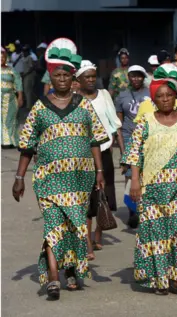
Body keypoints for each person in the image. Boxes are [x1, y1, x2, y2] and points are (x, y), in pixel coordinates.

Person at [12, 38, 108, 300]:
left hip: (80, 179)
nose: (63, 79)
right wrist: (19, 177)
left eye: (67, 75)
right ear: (51, 79)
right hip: (49, 180)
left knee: (77, 226)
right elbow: (27, 145)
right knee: (54, 227)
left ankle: (72, 269)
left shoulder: (84, 106)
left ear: (72, 78)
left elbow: (95, 141)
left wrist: (100, 173)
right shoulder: (40, 108)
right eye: (58, 75)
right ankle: (54, 278)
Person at [121, 70, 177, 297]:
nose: (165, 100)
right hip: (152, 186)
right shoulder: (145, 122)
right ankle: (161, 279)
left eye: (169, 95)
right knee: (157, 233)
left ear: (175, 97)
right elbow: (134, 154)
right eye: (159, 97)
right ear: (153, 100)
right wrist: (134, 183)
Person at [76, 60, 124, 259]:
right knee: (86, 198)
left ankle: (98, 235)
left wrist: (124, 153)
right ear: (78, 80)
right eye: (86, 77)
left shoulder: (104, 95)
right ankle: (87, 241)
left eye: (93, 77)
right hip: (82, 155)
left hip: (104, 152)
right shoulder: (74, 99)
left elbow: (115, 124)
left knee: (102, 195)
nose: (90, 80)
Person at [115, 65, 150, 227]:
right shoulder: (122, 96)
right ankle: (132, 210)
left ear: (143, 77)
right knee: (130, 174)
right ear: (128, 77)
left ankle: (147, 210)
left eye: (139, 76)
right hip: (129, 137)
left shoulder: (150, 93)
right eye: (132, 76)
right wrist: (123, 151)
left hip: (148, 138)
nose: (136, 79)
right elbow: (119, 125)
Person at [1, 47, 23, 148]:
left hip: (10, 99)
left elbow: (18, 83)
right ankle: (4, 141)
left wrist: (20, 97)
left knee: (10, 119)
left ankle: (11, 141)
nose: (1, 59)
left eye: (3, 57)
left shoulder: (11, 70)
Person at [20, 45, 37, 109]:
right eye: (23, 51)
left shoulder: (29, 57)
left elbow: (31, 68)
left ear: (27, 52)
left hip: (29, 75)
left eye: (25, 51)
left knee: (28, 90)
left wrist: (25, 74)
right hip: (25, 75)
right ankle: (31, 104)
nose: (23, 52)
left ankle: (29, 106)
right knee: (27, 90)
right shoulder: (23, 58)